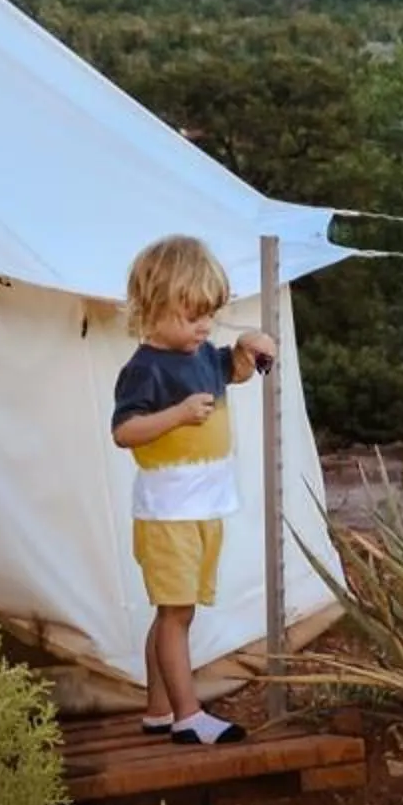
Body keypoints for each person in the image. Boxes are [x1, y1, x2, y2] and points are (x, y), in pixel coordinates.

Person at [111, 233, 277, 747]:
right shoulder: (144, 369)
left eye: (210, 315)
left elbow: (236, 372)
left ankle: (158, 709)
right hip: (168, 512)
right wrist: (177, 415)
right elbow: (124, 432)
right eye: (191, 316)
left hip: (206, 506)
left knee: (173, 611)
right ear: (153, 307)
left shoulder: (204, 353)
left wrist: (249, 347)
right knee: (177, 613)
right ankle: (188, 715)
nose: (203, 327)